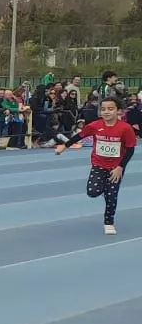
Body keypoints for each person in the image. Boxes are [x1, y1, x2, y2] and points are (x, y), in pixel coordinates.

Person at [58, 95, 135, 234]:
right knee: (92, 192)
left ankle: (109, 222)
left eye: (110, 109)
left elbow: (130, 149)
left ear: (119, 111)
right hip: (98, 164)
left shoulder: (125, 128)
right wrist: (65, 146)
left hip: (116, 166)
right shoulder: (95, 125)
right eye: (103, 109)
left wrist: (120, 167)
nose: (106, 112)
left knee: (112, 195)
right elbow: (80, 136)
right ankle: (105, 189)